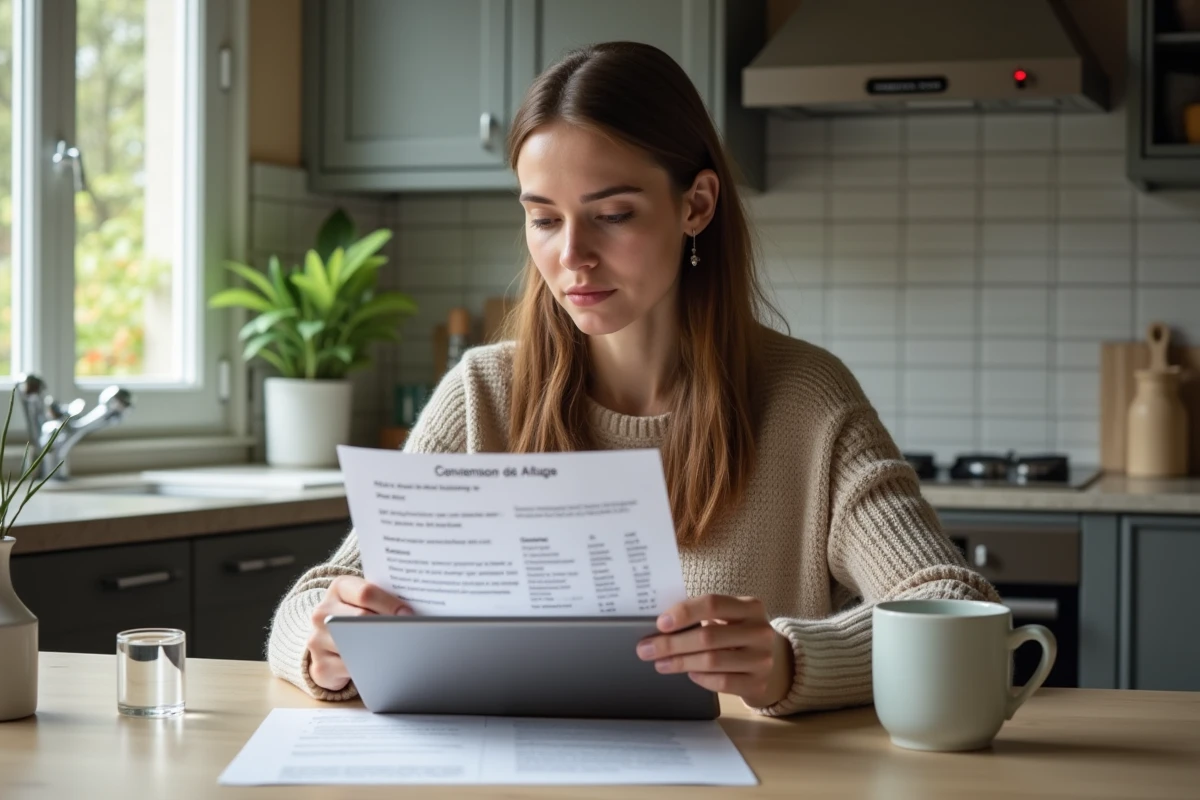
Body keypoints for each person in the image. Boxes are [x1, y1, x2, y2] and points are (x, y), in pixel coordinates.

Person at [267, 41, 998, 715]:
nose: (572, 257)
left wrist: (791, 660)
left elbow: (952, 599)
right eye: (544, 220)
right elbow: (319, 598)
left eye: (612, 214)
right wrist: (326, 646)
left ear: (696, 205)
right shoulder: (481, 394)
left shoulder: (807, 400)